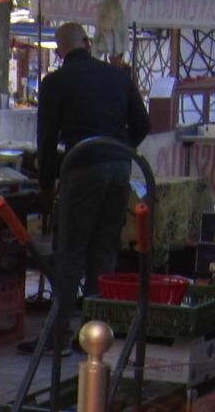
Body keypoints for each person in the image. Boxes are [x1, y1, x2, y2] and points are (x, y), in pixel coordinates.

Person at [32, 21, 151, 352]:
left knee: (70, 252)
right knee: (104, 249)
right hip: (120, 165)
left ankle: (56, 337)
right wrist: (119, 146)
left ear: (59, 51)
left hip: (83, 165)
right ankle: (96, 334)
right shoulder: (117, 76)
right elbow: (143, 123)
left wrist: (45, 181)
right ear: (87, 41)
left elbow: (46, 136)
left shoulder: (55, 82)